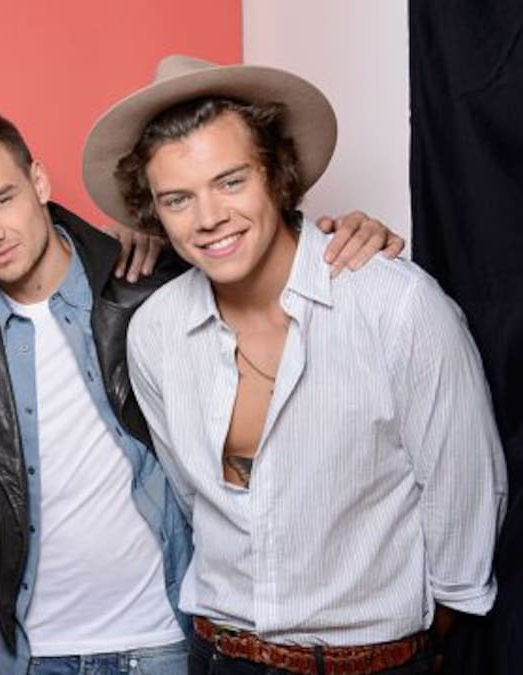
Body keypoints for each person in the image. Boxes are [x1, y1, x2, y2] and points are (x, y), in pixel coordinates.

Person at [0, 105, 403, 675]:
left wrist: (347, 236)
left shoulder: (146, 285)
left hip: (162, 636)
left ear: (39, 182)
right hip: (30, 650)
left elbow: (259, 247)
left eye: (2, 199)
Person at [85, 54, 506, 674]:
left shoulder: (395, 306)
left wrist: (409, 648)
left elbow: (462, 497)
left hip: (371, 662)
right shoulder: (154, 332)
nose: (208, 218)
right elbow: (194, 499)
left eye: (231, 182)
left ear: (277, 174)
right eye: (178, 199)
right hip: (219, 653)